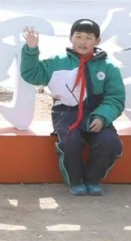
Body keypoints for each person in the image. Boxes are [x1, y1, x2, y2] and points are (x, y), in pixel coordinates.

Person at [20, 19, 124, 196]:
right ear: (70, 38)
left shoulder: (108, 67)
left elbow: (115, 98)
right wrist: (31, 49)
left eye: (89, 38)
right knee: (71, 141)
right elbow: (32, 74)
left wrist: (102, 117)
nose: (83, 42)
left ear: (97, 41)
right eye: (79, 36)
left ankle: (92, 179)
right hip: (66, 113)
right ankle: (75, 180)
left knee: (109, 142)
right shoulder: (57, 63)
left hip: (96, 114)